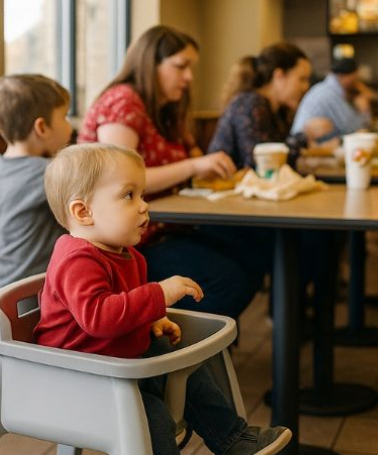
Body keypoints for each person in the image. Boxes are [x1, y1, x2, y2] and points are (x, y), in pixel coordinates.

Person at [34, 143, 292, 455]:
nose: (143, 206)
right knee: (149, 415)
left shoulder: (127, 254)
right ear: (82, 211)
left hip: (114, 365)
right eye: (128, 195)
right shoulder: (77, 258)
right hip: (77, 380)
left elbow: (119, 311)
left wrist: (150, 320)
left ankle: (231, 440)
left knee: (184, 358)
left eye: (142, 194)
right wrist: (159, 295)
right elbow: (99, 318)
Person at [79, 25, 260, 321]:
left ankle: (203, 348)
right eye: (181, 66)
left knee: (254, 251)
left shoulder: (165, 109)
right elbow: (118, 181)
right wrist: (193, 166)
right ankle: (164, 344)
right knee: (228, 281)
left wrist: (205, 164)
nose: (188, 77)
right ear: (151, 64)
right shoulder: (123, 102)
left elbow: (193, 156)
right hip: (129, 242)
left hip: (168, 227)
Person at [0, 74, 71, 294]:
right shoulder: (49, 172)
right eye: (65, 117)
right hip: (35, 297)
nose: (69, 127)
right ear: (42, 128)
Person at [208, 42, 311, 169]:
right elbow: (259, 163)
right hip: (227, 186)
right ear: (279, 75)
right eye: (302, 79)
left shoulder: (280, 111)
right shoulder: (250, 105)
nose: (305, 87)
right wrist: (304, 136)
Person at [291, 57, 373, 143]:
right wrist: (364, 111)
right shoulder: (329, 94)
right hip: (304, 150)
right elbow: (356, 130)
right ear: (344, 76)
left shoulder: (326, 89)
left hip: (311, 148)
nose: (357, 83)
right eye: (355, 79)